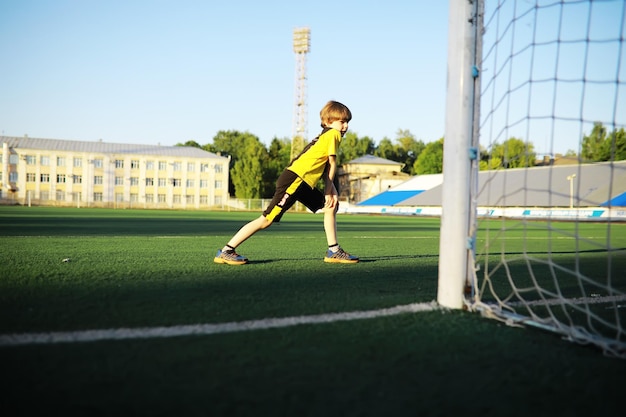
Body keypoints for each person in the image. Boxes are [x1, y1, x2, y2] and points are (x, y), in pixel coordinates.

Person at [214, 100, 359, 265]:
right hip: (295, 179)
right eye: (342, 122)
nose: (345, 126)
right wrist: (328, 189)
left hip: (302, 182)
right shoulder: (332, 134)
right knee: (267, 219)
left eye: (347, 122)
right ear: (327, 122)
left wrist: (331, 188)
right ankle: (226, 250)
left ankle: (334, 250)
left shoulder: (328, 136)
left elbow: (326, 164)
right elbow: (332, 163)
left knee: (331, 206)